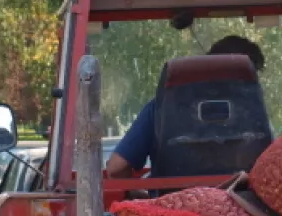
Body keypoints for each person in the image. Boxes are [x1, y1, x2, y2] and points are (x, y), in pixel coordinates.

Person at [105, 36, 266, 179]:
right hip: (242, 206)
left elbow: (116, 167)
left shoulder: (160, 109)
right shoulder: (254, 115)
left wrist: (135, 193)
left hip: (172, 207)